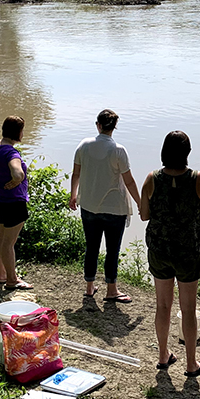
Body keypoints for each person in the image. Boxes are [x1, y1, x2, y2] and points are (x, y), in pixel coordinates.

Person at [139, 130, 200, 377]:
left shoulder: (152, 178)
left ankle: (163, 355)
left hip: (160, 249)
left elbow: (144, 215)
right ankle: (191, 364)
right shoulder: (197, 179)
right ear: (187, 154)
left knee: (162, 305)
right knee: (188, 307)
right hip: (187, 251)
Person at [69, 109, 141, 303]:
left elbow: (76, 173)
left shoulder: (83, 146)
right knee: (112, 250)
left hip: (89, 206)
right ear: (113, 127)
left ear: (98, 125)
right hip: (114, 208)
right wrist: (140, 203)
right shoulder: (118, 150)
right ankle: (111, 290)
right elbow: (129, 181)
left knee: (91, 247)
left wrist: (73, 195)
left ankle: (90, 287)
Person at [0, 115, 33, 290]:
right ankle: (12, 280)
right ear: (18, 132)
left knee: (1, 237)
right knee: (9, 242)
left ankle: (2, 274)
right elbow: (18, 174)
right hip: (14, 202)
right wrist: (17, 180)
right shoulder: (11, 153)